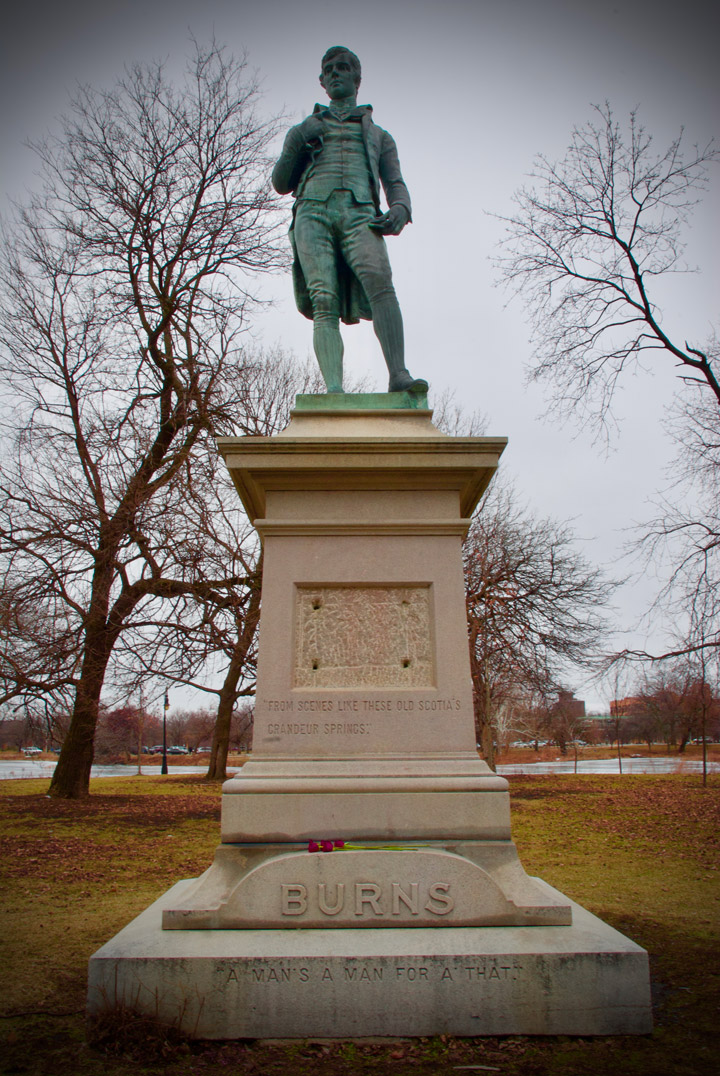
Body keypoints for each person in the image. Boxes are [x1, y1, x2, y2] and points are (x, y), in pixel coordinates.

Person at [272, 46, 428, 395]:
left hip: (361, 214)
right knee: (322, 297)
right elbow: (281, 182)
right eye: (328, 69)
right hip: (313, 211)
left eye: (343, 67)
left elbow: (395, 181)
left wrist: (401, 207)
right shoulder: (305, 128)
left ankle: (398, 374)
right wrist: (298, 139)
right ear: (322, 81)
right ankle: (334, 390)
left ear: (357, 78)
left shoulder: (379, 135)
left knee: (382, 285)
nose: (335, 73)